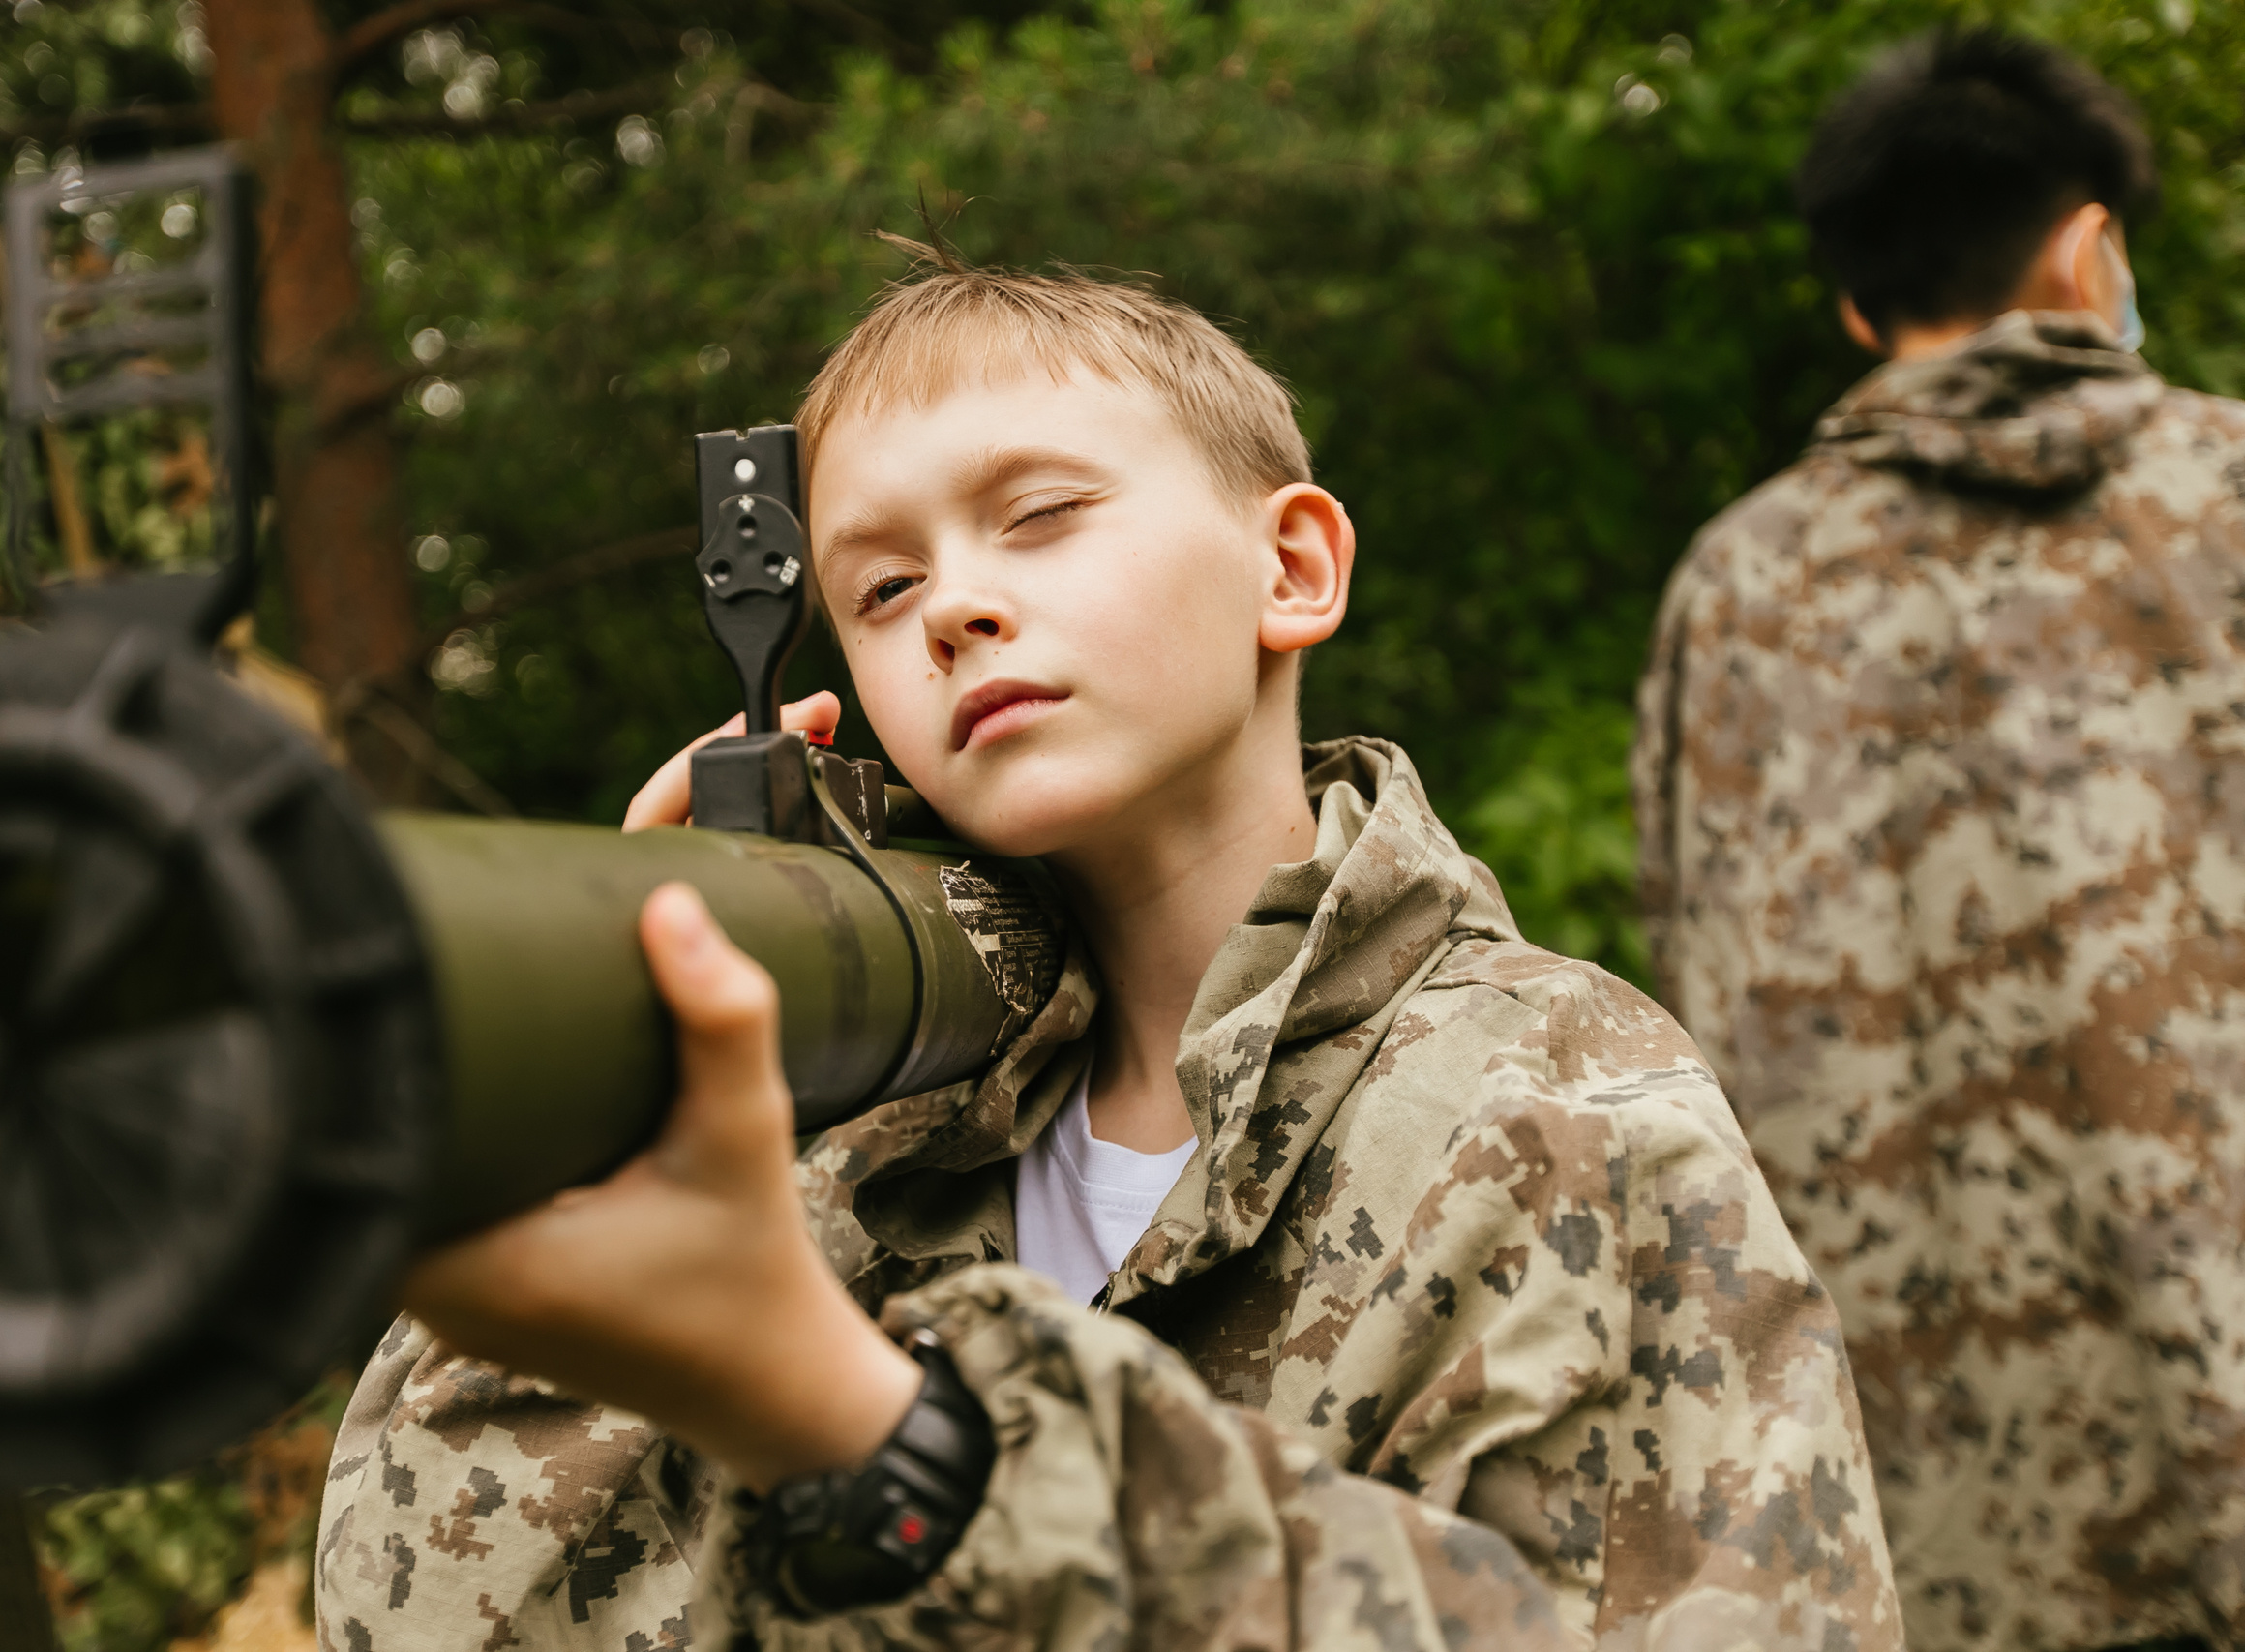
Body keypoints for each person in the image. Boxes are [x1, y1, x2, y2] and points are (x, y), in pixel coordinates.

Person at [315, 253, 1901, 1650]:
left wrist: (878, 1445)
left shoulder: (1558, 1118)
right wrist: (605, 1083)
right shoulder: (868, 1135)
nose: (954, 607)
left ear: (1292, 570)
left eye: (1040, 517)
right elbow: (431, 1607)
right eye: (883, 586)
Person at [1633, 28, 2245, 1652]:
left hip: (1920, 1512)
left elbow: (1691, 1005)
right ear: (2090, 250)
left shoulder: (1738, 588)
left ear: (1856, 307)